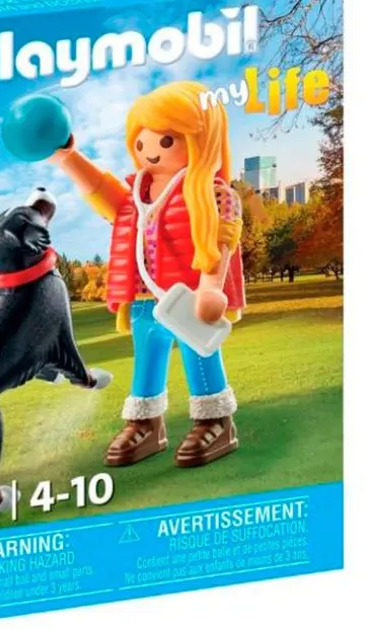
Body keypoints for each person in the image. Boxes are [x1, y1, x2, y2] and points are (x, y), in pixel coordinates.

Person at [50, 81, 246, 468]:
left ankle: (216, 421)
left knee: (200, 355)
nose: (150, 151)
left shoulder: (215, 195)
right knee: (147, 359)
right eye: (140, 142)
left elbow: (219, 240)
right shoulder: (136, 196)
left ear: (201, 138)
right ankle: (145, 423)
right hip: (144, 300)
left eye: (165, 141)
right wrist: (69, 158)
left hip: (188, 297)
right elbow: (102, 190)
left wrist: (210, 287)